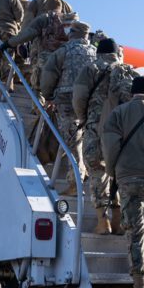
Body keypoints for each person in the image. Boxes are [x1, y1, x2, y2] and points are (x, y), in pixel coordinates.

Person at [102, 76, 144, 288]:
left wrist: (113, 170)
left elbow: (110, 146)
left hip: (129, 178)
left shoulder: (119, 113)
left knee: (135, 231)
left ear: (131, 92)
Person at [73, 38, 124, 234]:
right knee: (117, 174)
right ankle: (118, 221)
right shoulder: (126, 71)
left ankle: (103, 223)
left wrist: (83, 118)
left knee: (96, 171)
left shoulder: (91, 68)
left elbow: (79, 97)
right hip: (120, 132)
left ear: (99, 52)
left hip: (96, 128)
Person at [40, 21, 95, 193]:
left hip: (66, 101)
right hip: (90, 102)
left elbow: (48, 75)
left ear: (73, 33)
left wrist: (48, 95)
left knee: (73, 142)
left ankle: (75, 182)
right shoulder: (95, 53)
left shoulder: (64, 51)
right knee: (88, 140)